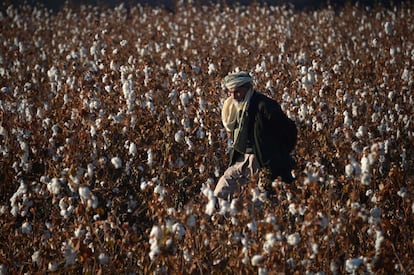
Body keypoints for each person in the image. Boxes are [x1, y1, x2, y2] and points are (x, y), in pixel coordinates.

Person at [214, 71, 296, 200]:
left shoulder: (265, 106)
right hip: (241, 159)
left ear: (247, 88)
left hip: (262, 161)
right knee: (221, 191)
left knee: (259, 202)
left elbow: (288, 131)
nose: (233, 96)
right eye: (230, 92)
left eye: (237, 92)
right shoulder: (233, 107)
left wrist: (277, 156)